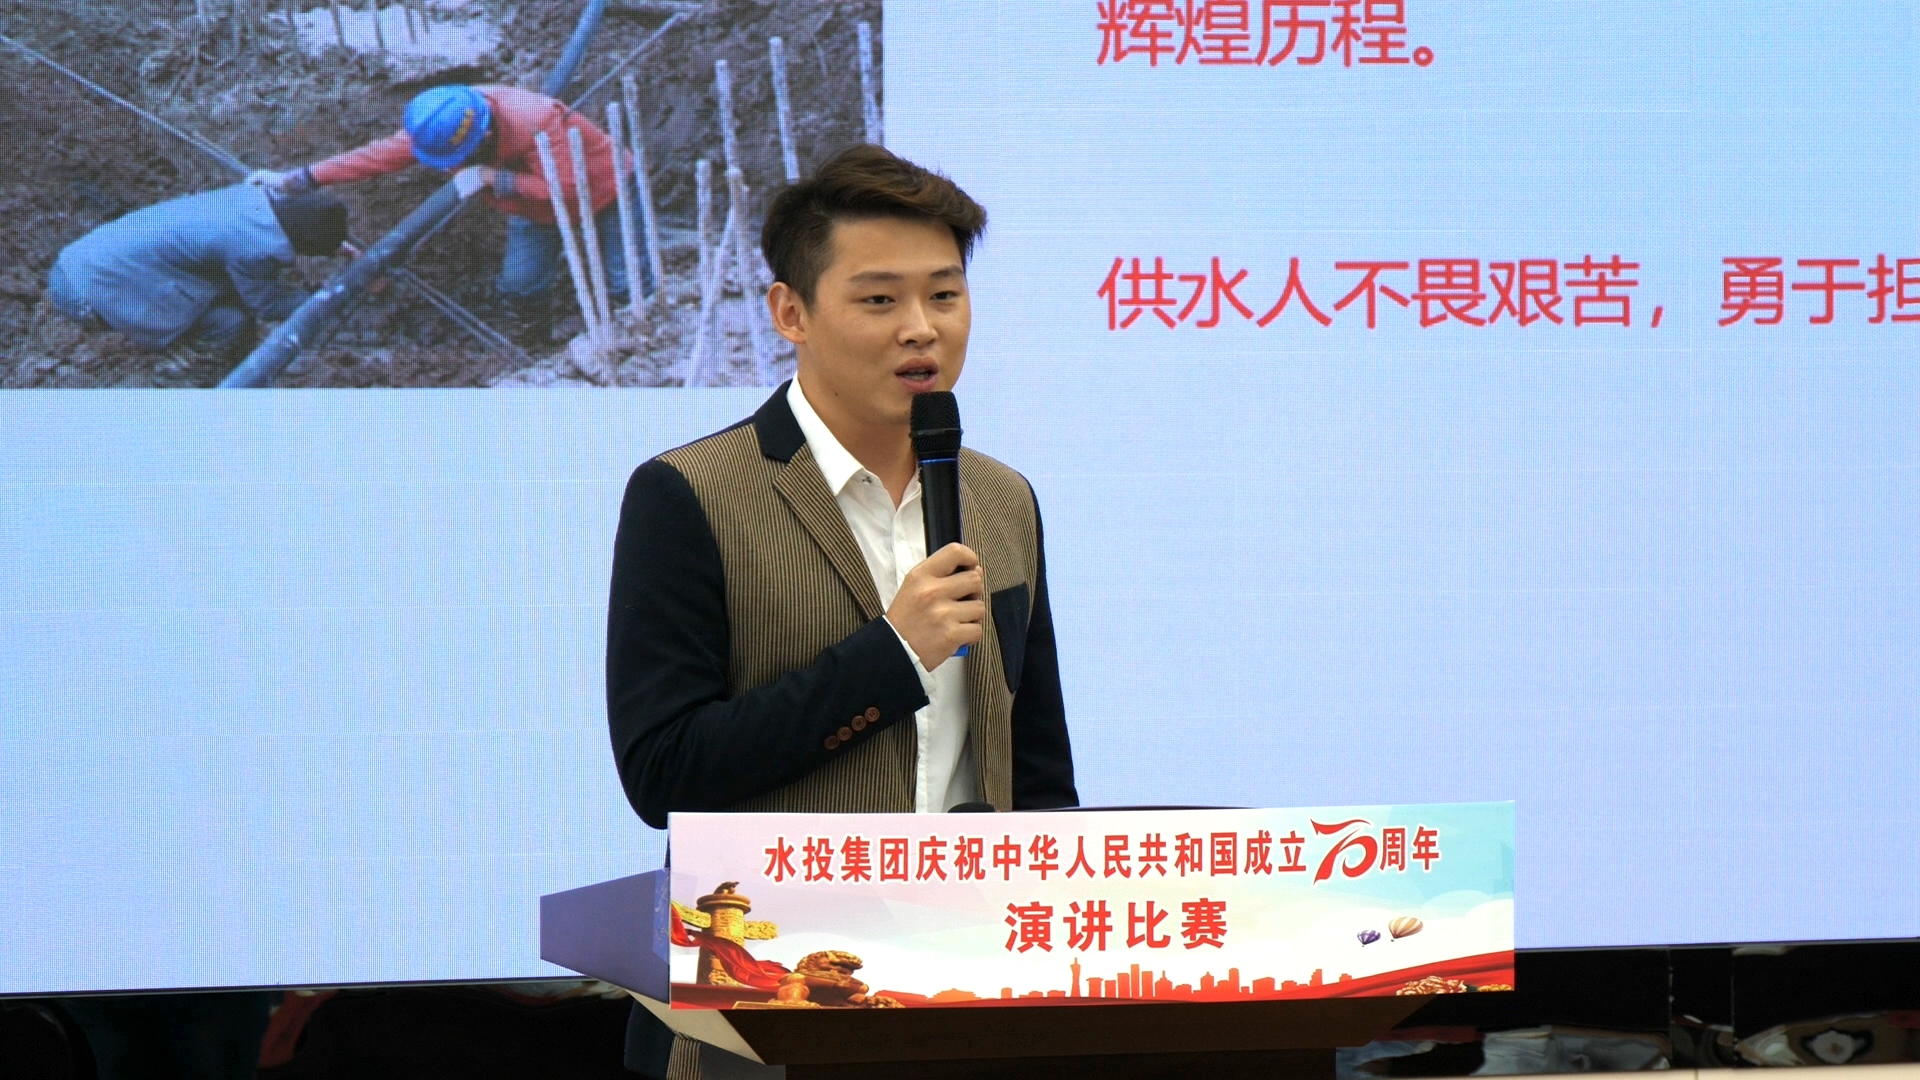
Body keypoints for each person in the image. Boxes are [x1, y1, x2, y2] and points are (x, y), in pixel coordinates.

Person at [605, 145, 1077, 1079]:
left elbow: (1036, 769)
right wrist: (892, 657)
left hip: (970, 996)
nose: (921, 329)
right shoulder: (689, 493)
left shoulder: (1003, 499)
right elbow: (663, 771)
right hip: (761, 1009)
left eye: (944, 295)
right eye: (879, 299)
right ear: (791, 312)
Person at [275, 84, 648, 315]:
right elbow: (380, 156)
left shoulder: (535, 122)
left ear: (483, 138)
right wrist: (307, 177)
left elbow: (569, 188)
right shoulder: (441, 123)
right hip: (536, 209)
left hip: (606, 189)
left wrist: (493, 178)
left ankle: (639, 347)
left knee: (627, 285)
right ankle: (538, 359)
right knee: (520, 286)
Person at [46, 183, 348, 357]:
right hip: (87, 290)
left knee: (228, 292)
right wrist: (327, 299)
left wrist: (336, 244)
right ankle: (187, 378)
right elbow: (266, 305)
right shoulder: (255, 247)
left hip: (78, 261)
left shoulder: (250, 200)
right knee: (230, 322)